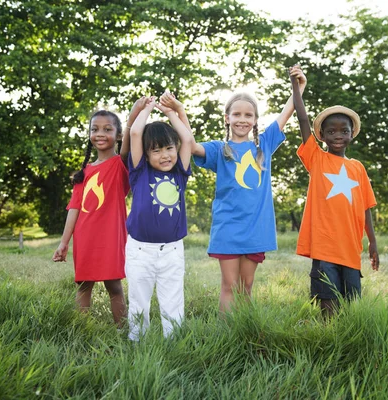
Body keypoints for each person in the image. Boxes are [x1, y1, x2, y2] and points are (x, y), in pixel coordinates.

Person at [191, 66, 307, 314]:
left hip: (256, 227)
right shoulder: (218, 150)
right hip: (228, 226)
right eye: (237, 114)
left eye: (248, 115)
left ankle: (243, 334)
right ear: (227, 118)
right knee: (229, 285)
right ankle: (225, 336)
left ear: (255, 120)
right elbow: (190, 146)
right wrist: (178, 112)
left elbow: (288, 112)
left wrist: (298, 88)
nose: (242, 119)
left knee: (246, 286)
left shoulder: (264, 145)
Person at [290, 68, 379, 318]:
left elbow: (366, 208)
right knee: (328, 302)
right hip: (325, 246)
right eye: (331, 131)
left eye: (343, 130)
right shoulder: (317, 159)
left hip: (351, 248)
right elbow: (303, 120)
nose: (338, 135)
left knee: (351, 304)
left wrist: (372, 242)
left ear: (352, 134)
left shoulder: (357, 168)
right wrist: (296, 85)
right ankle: (328, 339)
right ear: (322, 136)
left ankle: (348, 341)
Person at [52, 104, 142, 327]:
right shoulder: (83, 173)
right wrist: (64, 243)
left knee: (114, 285)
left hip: (111, 236)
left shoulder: (120, 165)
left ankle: (123, 332)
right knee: (83, 285)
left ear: (118, 134)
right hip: (85, 237)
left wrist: (134, 113)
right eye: (95, 129)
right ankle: (82, 331)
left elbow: (130, 141)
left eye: (107, 129)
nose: (100, 134)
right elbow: (74, 210)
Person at [125, 93, 193, 341]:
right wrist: (148, 108)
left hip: (172, 250)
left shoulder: (180, 173)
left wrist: (171, 113)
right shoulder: (139, 171)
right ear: (145, 154)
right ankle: (136, 343)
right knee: (139, 301)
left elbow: (187, 138)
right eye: (156, 151)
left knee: (173, 301)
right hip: (140, 250)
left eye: (169, 148)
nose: (165, 155)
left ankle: (174, 345)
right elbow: (134, 134)